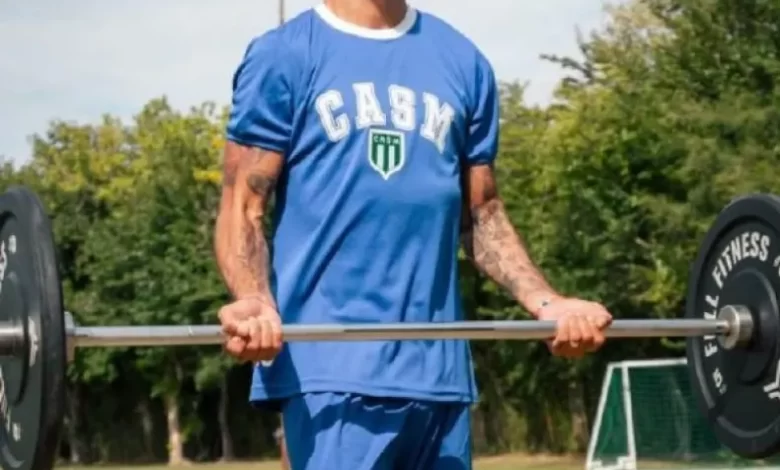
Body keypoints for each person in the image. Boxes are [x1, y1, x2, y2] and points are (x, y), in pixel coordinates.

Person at [214, 1, 614, 469]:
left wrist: (548, 303)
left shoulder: (463, 61)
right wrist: (255, 299)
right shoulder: (284, 55)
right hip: (331, 368)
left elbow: (482, 214)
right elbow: (242, 205)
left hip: (440, 373)